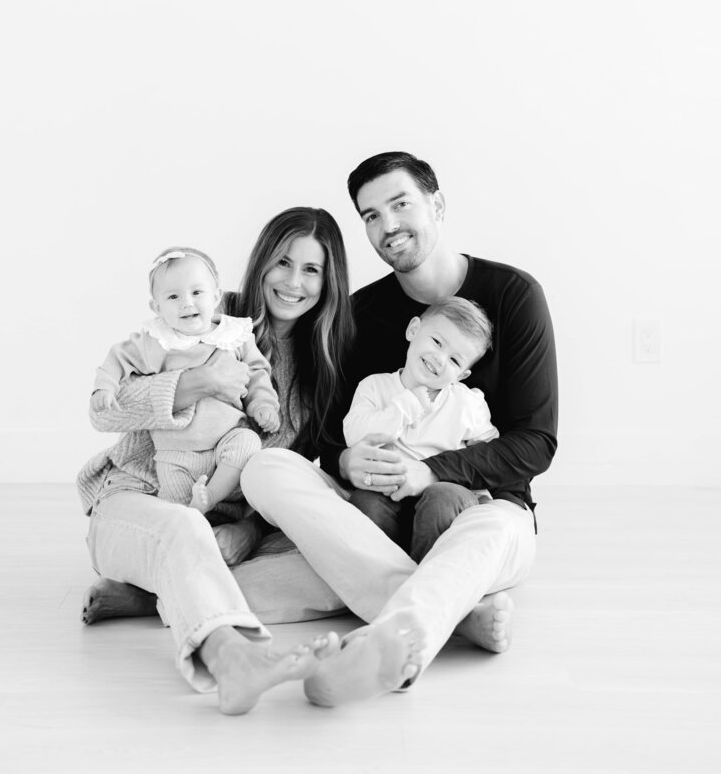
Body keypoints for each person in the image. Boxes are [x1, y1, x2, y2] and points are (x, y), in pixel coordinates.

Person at [241, 150, 558, 707]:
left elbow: (536, 442)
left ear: (436, 203)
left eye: (400, 203)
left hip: (478, 511)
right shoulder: (361, 314)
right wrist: (343, 462)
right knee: (267, 468)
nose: (387, 225)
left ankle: (385, 647)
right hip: (373, 518)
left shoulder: (514, 296)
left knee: (491, 533)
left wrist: (427, 471)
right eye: (370, 215)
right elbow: (329, 439)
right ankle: (454, 615)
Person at [78, 207, 356, 714]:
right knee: (184, 527)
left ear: (328, 280)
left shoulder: (325, 365)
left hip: (226, 531)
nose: (293, 282)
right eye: (282, 262)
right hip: (140, 501)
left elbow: (278, 476)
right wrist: (199, 382)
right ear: (260, 264)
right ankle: (234, 663)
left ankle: (158, 595)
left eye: (311, 270)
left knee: (330, 573)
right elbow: (105, 413)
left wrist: (248, 533)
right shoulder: (200, 313)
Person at [91, 246, 280, 513]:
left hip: (224, 441)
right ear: (156, 307)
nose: (187, 303)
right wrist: (105, 387)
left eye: (197, 292)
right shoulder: (156, 341)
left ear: (215, 296)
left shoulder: (234, 335)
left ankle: (211, 496)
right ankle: (192, 516)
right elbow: (118, 359)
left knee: (247, 442)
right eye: (173, 296)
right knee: (177, 508)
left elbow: (258, 373)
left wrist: (263, 405)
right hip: (174, 453)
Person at [344, 296, 498, 560]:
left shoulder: (466, 403)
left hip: (442, 496)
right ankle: (384, 575)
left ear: (461, 376)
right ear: (413, 330)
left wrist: (482, 496)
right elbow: (354, 435)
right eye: (437, 342)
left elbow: (491, 450)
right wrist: (406, 405)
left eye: (454, 361)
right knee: (364, 503)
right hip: (388, 496)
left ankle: (428, 580)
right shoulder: (375, 387)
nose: (439, 359)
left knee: (443, 498)